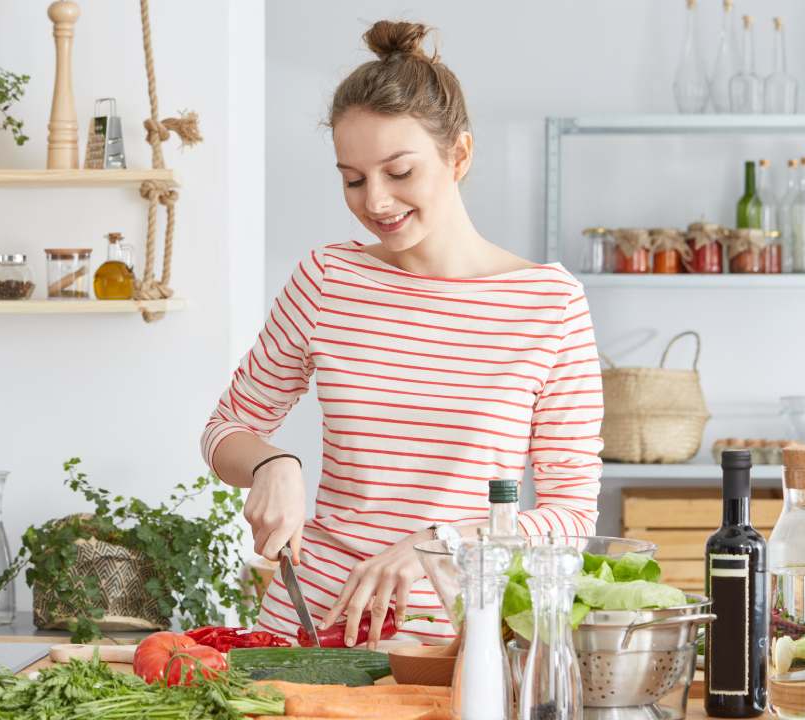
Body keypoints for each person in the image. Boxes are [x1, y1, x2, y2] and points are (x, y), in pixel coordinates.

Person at [200, 20, 603, 648]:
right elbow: (224, 431)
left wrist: (438, 544)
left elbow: (571, 517)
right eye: (353, 179)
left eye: (400, 172)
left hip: (452, 645)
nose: (377, 201)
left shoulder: (548, 303)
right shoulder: (328, 279)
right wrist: (272, 462)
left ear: (459, 156)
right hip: (308, 629)